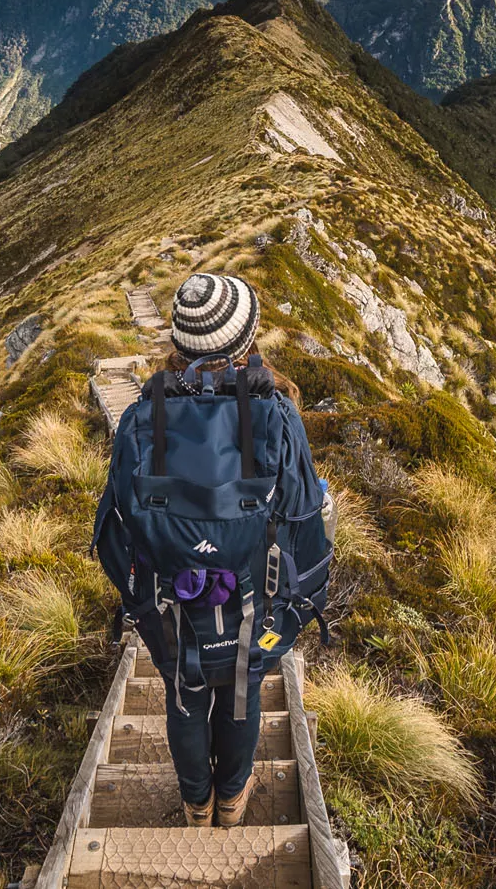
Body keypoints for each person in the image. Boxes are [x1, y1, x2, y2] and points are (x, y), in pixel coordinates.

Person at [92, 273, 332, 829]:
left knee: (184, 696)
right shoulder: (279, 415)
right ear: (246, 340)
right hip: (256, 600)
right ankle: (231, 800)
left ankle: (196, 804)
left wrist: (140, 600)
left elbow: (116, 525)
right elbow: (302, 518)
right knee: (242, 692)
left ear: (179, 342)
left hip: (170, 604)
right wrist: (296, 608)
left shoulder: (139, 418)